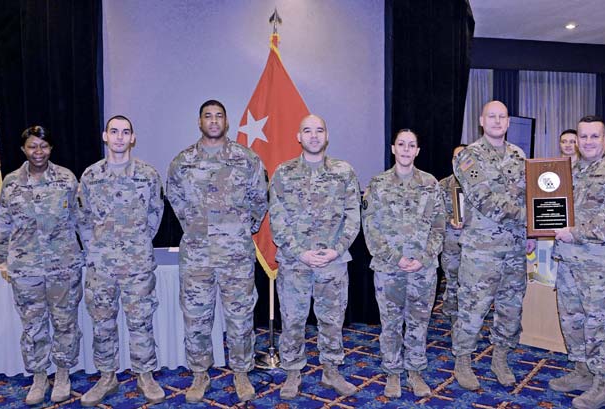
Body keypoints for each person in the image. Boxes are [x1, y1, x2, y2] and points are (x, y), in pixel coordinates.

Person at [167, 100, 268, 403]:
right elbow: (175, 198)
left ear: (226, 122)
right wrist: (196, 227)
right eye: (208, 116)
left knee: (240, 317)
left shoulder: (246, 159)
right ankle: (200, 373)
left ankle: (241, 371)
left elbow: (259, 198)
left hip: (236, 255)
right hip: (197, 254)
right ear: (199, 122)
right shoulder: (183, 161)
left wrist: (240, 229)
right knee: (196, 317)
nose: (213, 121)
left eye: (219, 116)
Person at [269, 114, 361, 400]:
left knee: (332, 321)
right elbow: (277, 219)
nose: (313, 135)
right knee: (292, 321)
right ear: (298, 137)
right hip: (295, 263)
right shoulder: (283, 173)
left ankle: (331, 370)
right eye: (307, 130)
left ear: (326, 136)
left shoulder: (343, 172)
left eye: (319, 130)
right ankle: (293, 371)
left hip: (332, 263)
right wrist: (300, 252)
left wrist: (337, 249)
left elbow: (353, 216)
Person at [78, 115, 165, 406]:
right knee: (102, 322)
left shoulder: (148, 175)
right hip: (101, 266)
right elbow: (83, 218)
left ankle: (145, 375)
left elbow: (155, 214)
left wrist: (137, 243)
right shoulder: (90, 176)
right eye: (114, 132)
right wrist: (96, 249)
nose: (119, 137)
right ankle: (107, 376)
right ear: (105, 136)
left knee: (140, 320)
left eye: (125, 132)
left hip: (137, 264)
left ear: (132, 138)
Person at [549, 116, 605, 409]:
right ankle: (582, 371)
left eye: (594, 136)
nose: (587, 142)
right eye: (583, 136)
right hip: (568, 262)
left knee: (599, 325)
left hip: (598, 268)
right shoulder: (567, 171)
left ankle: (602, 385)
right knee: (572, 319)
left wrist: (575, 233)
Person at [0, 126, 83, 405]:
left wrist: (89, 252)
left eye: (43, 146)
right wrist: (2, 259)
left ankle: (63, 373)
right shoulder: (11, 182)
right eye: (32, 146)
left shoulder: (66, 179)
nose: (38, 152)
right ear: (23, 149)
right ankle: (39, 376)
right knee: (33, 326)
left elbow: (80, 219)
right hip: (26, 268)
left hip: (63, 266)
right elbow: (3, 223)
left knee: (65, 322)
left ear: (51, 148)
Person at [451, 100, 536, 390]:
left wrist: (532, 230)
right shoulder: (468, 156)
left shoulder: (519, 155)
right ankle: (463, 360)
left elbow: (529, 194)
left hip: (514, 249)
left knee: (510, 308)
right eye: (492, 116)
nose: (497, 121)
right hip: (482, 251)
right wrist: (529, 218)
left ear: (508, 122)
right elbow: (484, 199)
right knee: (473, 307)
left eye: (502, 117)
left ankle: (500, 358)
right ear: (481, 121)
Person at [362, 129, 445, 398]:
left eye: (411, 145)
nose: (406, 149)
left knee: (419, 323)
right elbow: (370, 229)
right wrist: (395, 258)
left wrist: (423, 258)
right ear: (393, 149)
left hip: (423, 269)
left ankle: (415, 371)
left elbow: (439, 227)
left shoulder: (431, 183)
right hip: (389, 269)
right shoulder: (378, 184)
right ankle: (393, 372)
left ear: (417, 151)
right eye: (401, 144)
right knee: (390, 324)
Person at [439, 144, 467, 326]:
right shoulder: (442, 185)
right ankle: (452, 317)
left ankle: (466, 323)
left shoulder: (479, 185)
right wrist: (449, 219)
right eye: (456, 157)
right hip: (451, 243)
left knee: (471, 286)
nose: (459, 160)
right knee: (452, 283)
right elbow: (435, 214)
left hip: (474, 245)